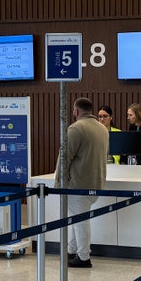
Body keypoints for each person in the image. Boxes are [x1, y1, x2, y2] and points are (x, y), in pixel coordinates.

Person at [55, 97, 109, 268]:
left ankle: (84, 257)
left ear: (76, 111)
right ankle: (71, 251)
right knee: (77, 219)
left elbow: (64, 158)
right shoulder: (103, 129)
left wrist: (58, 185)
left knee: (80, 221)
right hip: (96, 183)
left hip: (78, 184)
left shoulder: (76, 128)